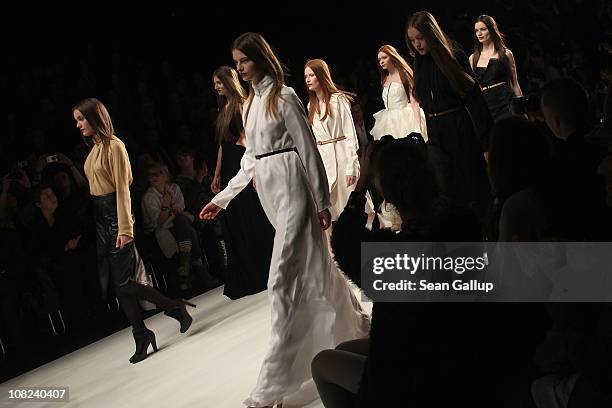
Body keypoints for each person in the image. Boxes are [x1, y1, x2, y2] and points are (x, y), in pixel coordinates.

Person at [200, 33, 370, 408]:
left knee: (280, 280)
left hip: (293, 185)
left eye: (243, 60)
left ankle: (273, 384)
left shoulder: (285, 95)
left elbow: (306, 147)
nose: (240, 67)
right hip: (269, 190)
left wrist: (322, 200)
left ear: (260, 58)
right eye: (237, 62)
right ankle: (354, 329)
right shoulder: (249, 104)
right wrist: (222, 199)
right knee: (314, 269)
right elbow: (250, 160)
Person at [72, 98, 195, 364]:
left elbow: (122, 191)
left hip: (117, 218)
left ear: (95, 118)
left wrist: (125, 227)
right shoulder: (93, 150)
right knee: (121, 285)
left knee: (125, 283)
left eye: (81, 119)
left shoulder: (115, 147)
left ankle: (168, 311)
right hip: (102, 220)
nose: (78, 125)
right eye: (77, 121)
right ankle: (147, 328)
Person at [406, 10, 492, 213]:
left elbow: (475, 99)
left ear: (431, 34)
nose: (417, 44)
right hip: (436, 135)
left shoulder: (453, 56)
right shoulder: (419, 64)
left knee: (469, 187)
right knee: (446, 192)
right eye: (412, 40)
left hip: (459, 129)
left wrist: (488, 143)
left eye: (420, 38)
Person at [211, 66, 274, 299]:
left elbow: (247, 139)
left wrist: (255, 169)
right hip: (228, 163)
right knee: (233, 217)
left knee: (250, 214)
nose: (216, 87)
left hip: (242, 161)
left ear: (229, 81)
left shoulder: (241, 104)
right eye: (214, 84)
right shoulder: (222, 109)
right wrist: (217, 173)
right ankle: (246, 272)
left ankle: (263, 269)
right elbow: (221, 144)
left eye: (219, 82)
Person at [304, 58, 360, 222]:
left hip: (342, 157)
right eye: (306, 76)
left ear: (321, 75)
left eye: (312, 75)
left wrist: (352, 165)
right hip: (324, 162)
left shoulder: (338, 99)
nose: (307, 79)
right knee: (331, 211)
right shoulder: (311, 106)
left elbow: (350, 134)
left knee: (352, 206)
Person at [470, 14, 523, 121]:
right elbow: (475, 88)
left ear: (492, 29)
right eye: (476, 31)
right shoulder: (473, 58)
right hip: (486, 105)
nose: (479, 34)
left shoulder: (506, 54)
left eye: (483, 29)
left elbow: (514, 83)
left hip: (505, 102)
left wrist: (522, 108)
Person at [370, 44, 427, 140]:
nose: (381, 62)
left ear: (392, 57)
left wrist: (418, 127)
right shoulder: (384, 79)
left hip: (405, 118)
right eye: (379, 59)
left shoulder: (404, 76)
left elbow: (414, 101)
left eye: (384, 58)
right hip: (388, 120)